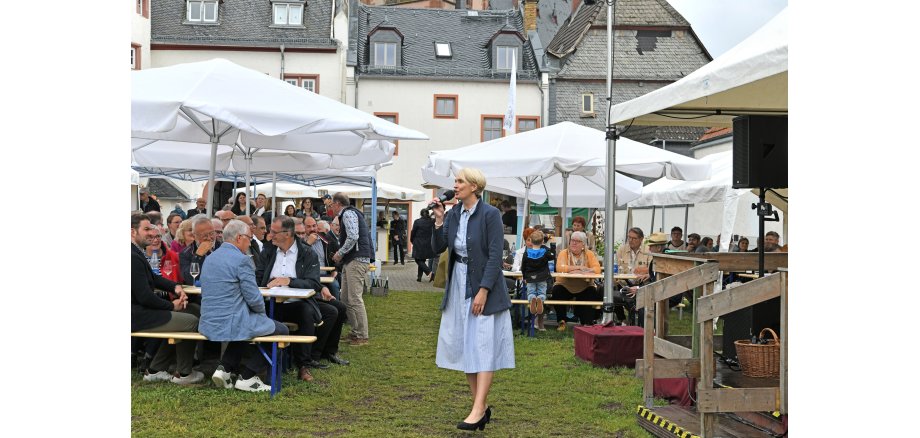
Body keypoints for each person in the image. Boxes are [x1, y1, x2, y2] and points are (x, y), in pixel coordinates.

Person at [430, 167, 513, 431]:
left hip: (483, 285)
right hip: (458, 285)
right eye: (455, 181)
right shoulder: (454, 214)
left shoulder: (490, 215)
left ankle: (478, 408)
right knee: (467, 345)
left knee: (483, 345)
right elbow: (437, 248)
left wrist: (484, 290)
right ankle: (480, 406)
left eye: (460, 181)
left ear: (474, 186)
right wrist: (439, 220)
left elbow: (494, 256)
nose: (455, 185)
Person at [200, 220, 289, 392]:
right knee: (281, 330)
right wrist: (263, 315)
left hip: (208, 321)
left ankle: (224, 368)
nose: (250, 241)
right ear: (239, 238)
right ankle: (248, 376)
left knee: (245, 326)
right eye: (249, 237)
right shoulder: (242, 260)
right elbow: (254, 298)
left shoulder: (209, 258)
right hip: (233, 321)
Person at [131, 213, 203, 385]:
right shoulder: (131, 257)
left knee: (193, 309)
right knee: (191, 322)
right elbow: (145, 297)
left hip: (142, 311)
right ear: (132, 232)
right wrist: (171, 306)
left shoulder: (134, 252)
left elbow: (152, 279)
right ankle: (185, 374)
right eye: (146, 229)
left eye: (151, 228)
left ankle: (155, 369)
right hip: (138, 316)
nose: (151, 233)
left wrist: (175, 287)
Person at [330, 192, 373, 346]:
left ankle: (362, 335)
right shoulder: (352, 213)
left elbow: (353, 236)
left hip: (356, 259)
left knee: (354, 298)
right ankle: (355, 332)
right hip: (354, 259)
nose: (331, 208)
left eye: (331, 205)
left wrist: (340, 253)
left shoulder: (347, 213)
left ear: (337, 203)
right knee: (346, 298)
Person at [552, 231, 602, 330]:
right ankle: (561, 321)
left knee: (591, 292)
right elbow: (560, 268)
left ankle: (587, 323)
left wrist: (576, 270)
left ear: (583, 244)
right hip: (565, 285)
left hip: (584, 285)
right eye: (572, 240)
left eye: (577, 241)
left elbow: (597, 269)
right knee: (556, 290)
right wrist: (580, 268)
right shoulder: (564, 253)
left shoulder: (589, 254)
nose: (574, 243)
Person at [521, 230, 553, 317]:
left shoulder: (526, 253)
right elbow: (552, 256)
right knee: (542, 292)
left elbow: (523, 266)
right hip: (542, 277)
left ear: (530, 241)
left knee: (531, 292)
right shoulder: (545, 252)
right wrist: (549, 247)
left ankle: (532, 299)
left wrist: (524, 277)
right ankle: (540, 298)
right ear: (542, 241)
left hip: (530, 278)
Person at [179, 215, 218, 286]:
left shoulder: (222, 247)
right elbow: (189, 279)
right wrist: (198, 256)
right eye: (205, 235)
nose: (209, 238)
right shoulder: (186, 253)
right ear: (194, 236)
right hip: (198, 293)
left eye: (212, 233)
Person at [410, 209, 436, 282]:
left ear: (421, 214)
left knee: (417, 259)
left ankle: (430, 273)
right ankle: (419, 277)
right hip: (428, 244)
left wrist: (412, 240)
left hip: (418, 243)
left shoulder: (417, 222)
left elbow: (413, 232)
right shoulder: (432, 221)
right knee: (421, 260)